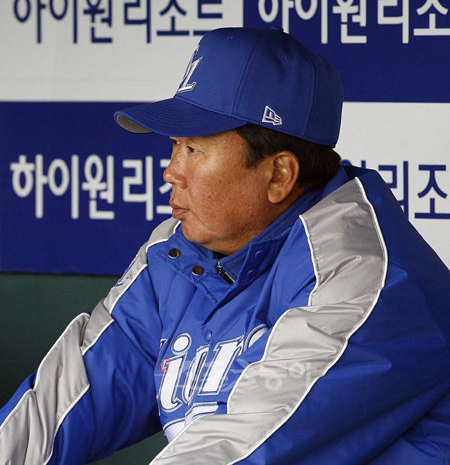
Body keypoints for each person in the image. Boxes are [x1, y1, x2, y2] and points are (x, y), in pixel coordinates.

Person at [0, 26, 449, 465]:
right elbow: (58, 410)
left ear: (279, 175)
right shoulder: (176, 256)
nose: (171, 171)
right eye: (175, 145)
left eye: (195, 150)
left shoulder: (365, 276)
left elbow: (242, 448)